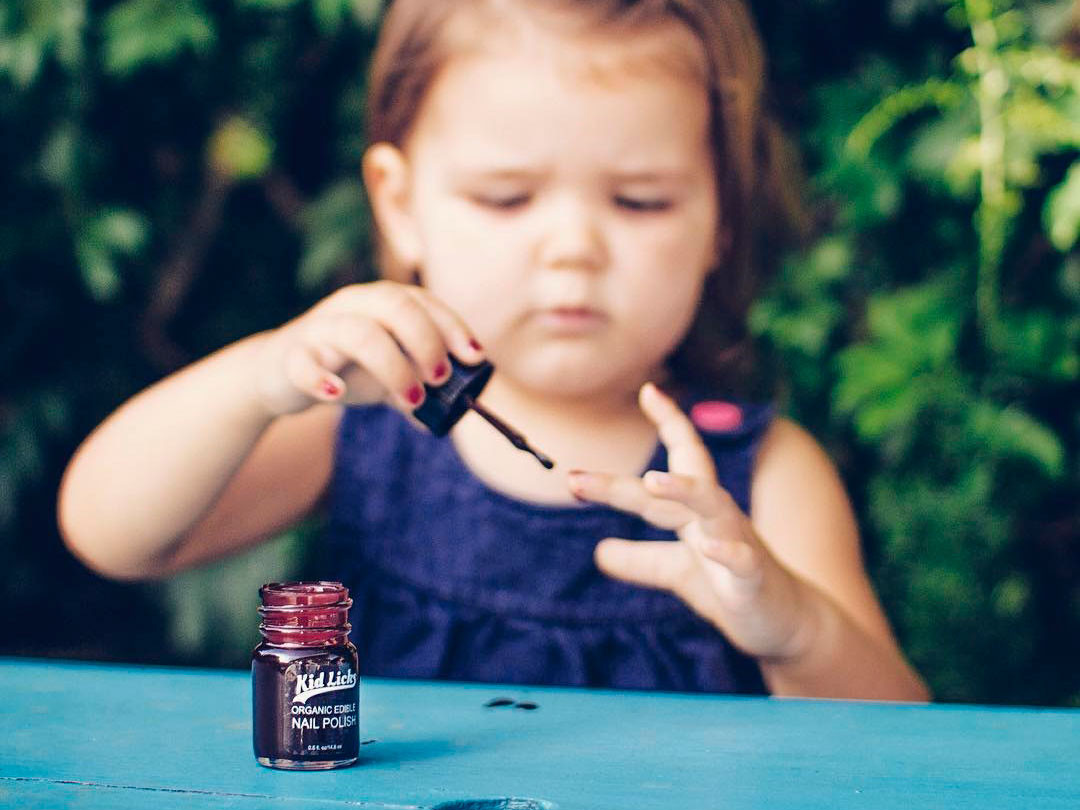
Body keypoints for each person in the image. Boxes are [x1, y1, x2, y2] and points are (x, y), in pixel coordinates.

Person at [58, 0, 929, 701]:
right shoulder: (362, 424)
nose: (572, 248)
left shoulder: (761, 474)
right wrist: (264, 379)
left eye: (639, 201)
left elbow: (895, 742)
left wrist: (795, 628)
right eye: (507, 198)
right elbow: (114, 536)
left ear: (719, 222)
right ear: (400, 207)